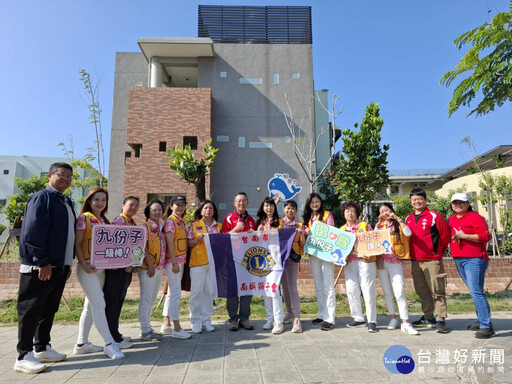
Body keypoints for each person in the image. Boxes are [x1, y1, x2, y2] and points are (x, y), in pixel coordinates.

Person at [14, 163, 75, 374]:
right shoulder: (43, 197)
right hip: (40, 266)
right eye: (61, 175)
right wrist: (42, 260)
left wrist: (67, 263)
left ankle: (41, 347)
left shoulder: (65, 201)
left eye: (69, 176)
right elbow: (32, 231)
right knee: (31, 309)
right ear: (50, 176)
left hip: (59, 265)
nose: (66, 179)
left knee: (49, 308)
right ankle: (23, 355)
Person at [73, 188, 124, 359]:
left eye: (103, 200)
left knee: (90, 305)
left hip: (101, 269)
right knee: (99, 304)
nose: (100, 203)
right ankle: (109, 344)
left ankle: (81, 343)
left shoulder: (103, 220)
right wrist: (83, 264)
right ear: (89, 201)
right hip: (88, 269)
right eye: (96, 199)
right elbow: (78, 244)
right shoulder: (84, 218)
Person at [448, 193, 494, 339]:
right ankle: (481, 320)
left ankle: (486, 326)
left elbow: (486, 237)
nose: (458, 205)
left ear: (468, 204)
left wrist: (465, 236)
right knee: (473, 291)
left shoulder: (475, 217)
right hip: (458, 259)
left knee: (476, 291)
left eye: (461, 202)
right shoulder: (451, 219)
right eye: (455, 203)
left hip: (474, 259)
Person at [406, 188, 450, 333]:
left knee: (437, 289)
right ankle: (428, 316)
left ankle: (441, 319)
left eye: (420, 199)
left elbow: (444, 237)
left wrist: (437, 253)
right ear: (411, 202)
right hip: (415, 260)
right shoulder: (408, 219)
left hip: (432, 259)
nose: (417, 202)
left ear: (425, 200)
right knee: (421, 290)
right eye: (414, 200)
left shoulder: (434, 216)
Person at [375, 203, 419, 335]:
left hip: (395, 262)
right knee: (387, 292)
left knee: (399, 291)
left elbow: (408, 233)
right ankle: (392, 318)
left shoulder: (398, 224)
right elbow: (374, 240)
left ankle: (405, 322)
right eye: (382, 212)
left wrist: (398, 219)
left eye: (387, 210)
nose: (385, 213)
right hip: (382, 263)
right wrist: (378, 223)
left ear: (392, 211)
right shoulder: (380, 226)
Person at [104, 196, 140, 349]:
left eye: (136, 206)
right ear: (123, 205)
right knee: (113, 303)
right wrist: (126, 263)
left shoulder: (130, 221)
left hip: (126, 269)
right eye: (131, 205)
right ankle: (112, 337)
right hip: (117, 270)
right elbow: (116, 246)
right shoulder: (120, 221)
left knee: (118, 302)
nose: (133, 208)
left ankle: (116, 333)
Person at [341, 202, 378, 333]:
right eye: (347, 211)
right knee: (351, 290)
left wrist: (371, 254)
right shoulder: (341, 229)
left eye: (352, 211)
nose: (350, 213)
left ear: (357, 213)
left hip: (365, 262)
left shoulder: (364, 225)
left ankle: (372, 320)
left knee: (368, 290)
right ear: (344, 214)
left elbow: (375, 241)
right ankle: (358, 317)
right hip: (349, 263)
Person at [222, 192, 256, 331]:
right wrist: (236, 230)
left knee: (247, 288)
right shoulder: (229, 219)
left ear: (247, 203)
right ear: (234, 203)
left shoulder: (252, 220)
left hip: (247, 260)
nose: (241, 203)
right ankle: (233, 319)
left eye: (243, 201)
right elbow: (223, 238)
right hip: (232, 259)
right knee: (232, 290)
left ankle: (245, 318)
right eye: (238, 201)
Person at [187, 200, 222, 334]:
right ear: (201, 211)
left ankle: (206, 320)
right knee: (196, 292)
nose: (208, 210)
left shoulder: (218, 226)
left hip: (213, 264)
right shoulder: (195, 225)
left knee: (209, 292)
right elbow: (189, 243)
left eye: (211, 208)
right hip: (197, 263)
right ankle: (195, 321)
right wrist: (197, 240)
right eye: (206, 208)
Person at [303, 192, 336, 331]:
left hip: (326, 254)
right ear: (308, 204)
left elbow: (332, 231)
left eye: (317, 201)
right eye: (312, 202)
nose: (315, 204)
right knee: (318, 285)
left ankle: (330, 318)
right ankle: (322, 314)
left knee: (328, 286)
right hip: (313, 254)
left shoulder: (327, 215)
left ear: (321, 202)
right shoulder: (308, 218)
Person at [160, 195, 191, 339]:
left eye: (183, 205)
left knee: (172, 293)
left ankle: (166, 323)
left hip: (179, 260)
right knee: (176, 294)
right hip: (174, 261)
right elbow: (170, 243)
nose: (180, 207)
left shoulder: (180, 221)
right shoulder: (171, 222)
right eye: (177, 205)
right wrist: (173, 263)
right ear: (171, 206)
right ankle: (177, 328)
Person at [256, 197, 285, 335]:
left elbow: (282, 236)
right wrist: (257, 231)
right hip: (262, 261)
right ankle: (270, 318)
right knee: (265, 290)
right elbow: (253, 240)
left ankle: (279, 321)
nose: (269, 208)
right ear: (263, 207)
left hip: (276, 260)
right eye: (266, 205)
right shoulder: (259, 222)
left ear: (275, 207)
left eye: (271, 205)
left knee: (274, 290)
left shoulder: (280, 222)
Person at [138, 200, 166, 341]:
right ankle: (145, 330)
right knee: (146, 297)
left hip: (159, 268)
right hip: (149, 269)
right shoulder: (146, 227)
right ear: (148, 211)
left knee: (152, 298)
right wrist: (149, 265)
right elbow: (143, 248)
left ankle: (147, 328)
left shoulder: (161, 226)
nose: (157, 212)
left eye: (160, 209)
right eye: (154, 209)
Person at [279, 200, 305, 333]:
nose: (290, 210)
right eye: (288, 208)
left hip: (292, 260)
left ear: (296, 211)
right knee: (284, 288)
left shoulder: (300, 224)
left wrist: (301, 234)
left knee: (292, 288)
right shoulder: (278, 223)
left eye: (293, 208)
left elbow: (303, 245)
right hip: (279, 260)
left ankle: (297, 318)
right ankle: (288, 312)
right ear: (284, 209)